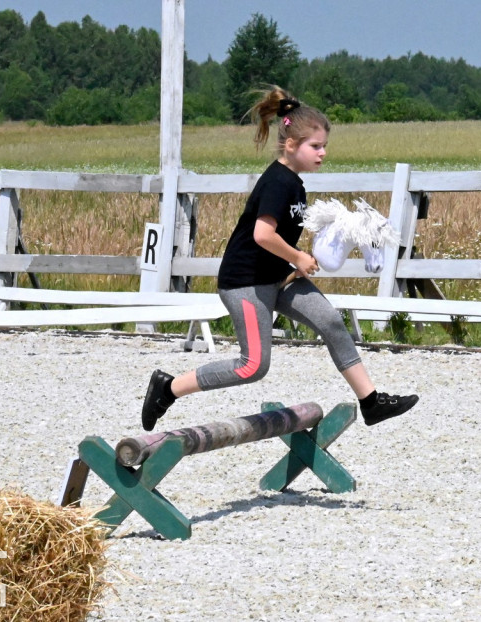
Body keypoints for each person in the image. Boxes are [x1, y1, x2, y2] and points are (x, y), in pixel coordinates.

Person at [141, 86, 418, 431]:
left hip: (277, 277)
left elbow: (282, 235)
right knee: (252, 366)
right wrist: (299, 257)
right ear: (291, 145)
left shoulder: (296, 184)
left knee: (330, 320)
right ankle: (167, 389)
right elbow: (262, 235)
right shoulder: (278, 182)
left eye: (324, 146)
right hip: (245, 284)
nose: (323, 153)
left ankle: (371, 402)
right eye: (315, 146)